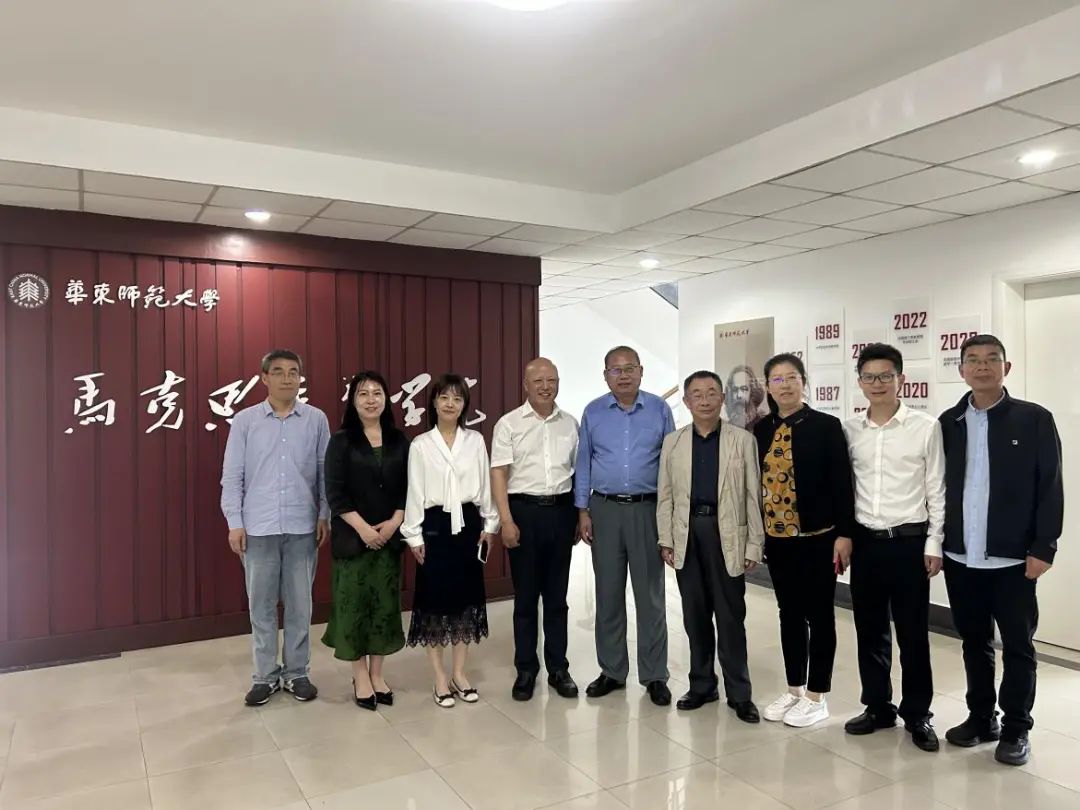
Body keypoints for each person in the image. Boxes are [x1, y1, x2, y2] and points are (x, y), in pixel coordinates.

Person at [939, 334, 1063, 766]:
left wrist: (1044, 546)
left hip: (1013, 559)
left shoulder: (1033, 419)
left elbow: (1050, 486)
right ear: (961, 370)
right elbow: (938, 488)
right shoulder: (950, 421)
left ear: (1006, 368)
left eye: (992, 359)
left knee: (1018, 646)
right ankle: (981, 718)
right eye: (973, 360)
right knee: (974, 643)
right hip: (961, 557)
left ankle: (1016, 729)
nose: (983, 366)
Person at [842, 344, 944, 752]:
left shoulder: (925, 427)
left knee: (913, 634)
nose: (878, 383)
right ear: (860, 382)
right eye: (869, 377)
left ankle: (917, 713)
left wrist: (934, 541)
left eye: (886, 375)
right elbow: (844, 490)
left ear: (901, 379)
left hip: (909, 544)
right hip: (866, 544)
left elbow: (937, 489)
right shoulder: (850, 430)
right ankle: (878, 706)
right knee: (870, 631)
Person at [220, 349, 331, 707]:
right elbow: (232, 476)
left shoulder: (316, 420)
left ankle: (297, 673)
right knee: (262, 608)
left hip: (302, 526)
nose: (287, 378)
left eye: (293, 372)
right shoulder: (245, 421)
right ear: (264, 378)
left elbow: (325, 473)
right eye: (279, 372)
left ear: (300, 377)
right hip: (258, 528)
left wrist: (324, 514)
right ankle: (265, 676)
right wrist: (235, 523)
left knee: (300, 606)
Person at [753, 353, 854, 728]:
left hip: (819, 538)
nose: (785, 385)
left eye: (792, 377)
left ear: (804, 382)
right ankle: (794, 688)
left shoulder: (826, 426)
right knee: (789, 614)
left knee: (820, 615)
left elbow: (842, 483)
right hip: (778, 540)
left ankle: (817, 695)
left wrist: (845, 533)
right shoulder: (761, 429)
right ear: (768, 387)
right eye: (777, 379)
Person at [657, 370, 764, 721]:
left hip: (727, 533)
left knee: (731, 617)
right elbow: (665, 496)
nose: (704, 400)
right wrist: (666, 539)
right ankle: (702, 685)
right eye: (697, 394)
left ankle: (740, 694)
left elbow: (753, 495)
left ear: (722, 398)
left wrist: (754, 544)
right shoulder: (673, 442)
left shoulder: (742, 440)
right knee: (695, 615)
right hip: (688, 533)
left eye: (711, 393)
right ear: (686, 402)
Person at [575, 346, 676, 706]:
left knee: (651, 597)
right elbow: (583, 463)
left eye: (629, 368)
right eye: (615, 370)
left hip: (648, 510)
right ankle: (613, 671)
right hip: (604, 510)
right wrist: (582, 511)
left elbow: (671, 465)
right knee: (608, 595)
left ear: (641, 371)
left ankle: (655, 675)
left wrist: (669, 516)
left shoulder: (660, 410)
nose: (623, 375)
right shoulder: (593, 412)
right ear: (606, 376)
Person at [402, 374, 500, 708]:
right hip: (434, 526)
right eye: (444, 397)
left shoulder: (474, 441)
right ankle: (439, 677)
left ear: (464, 405)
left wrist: (490, 524)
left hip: (468, 524)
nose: (450, 403)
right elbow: (415, 492)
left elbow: (485, 486)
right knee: (434, 602)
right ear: (433, 402)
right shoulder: (420, 444)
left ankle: (459, 673)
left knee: (465, 601)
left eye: (457, 398)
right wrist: (413, 534)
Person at [490, 358, 580, 701]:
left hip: (561, 512)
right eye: (538, 381)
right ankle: (526, 669)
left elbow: (578, 472)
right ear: (525, 385)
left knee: (557, 597)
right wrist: (506, 520)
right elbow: (499, 473)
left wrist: (578, 515)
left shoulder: (570, 424)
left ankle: (559, 668)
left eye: (551, 380)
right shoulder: (509, 424)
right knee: (526, 598)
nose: (546, 386)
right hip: (523, 513)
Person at [321, 371, 409, 711]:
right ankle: (359, 675)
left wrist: (394, 523)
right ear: (353, 401)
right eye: (363, 393)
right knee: (354, 608)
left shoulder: (399, 440)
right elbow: (335, 493)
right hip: (353, 540)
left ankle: (377, 674)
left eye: (377, 393)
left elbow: (410, 488)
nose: (371, 399)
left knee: (383, 608)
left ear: (386, 398)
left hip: (389, 539)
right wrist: (365, 530)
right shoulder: (341, 441)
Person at [725, 365, 767, 432]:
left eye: (744, 389)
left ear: (752, 392)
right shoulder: (725, 428)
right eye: (735, 390)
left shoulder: (764, 425)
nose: (739, 395)